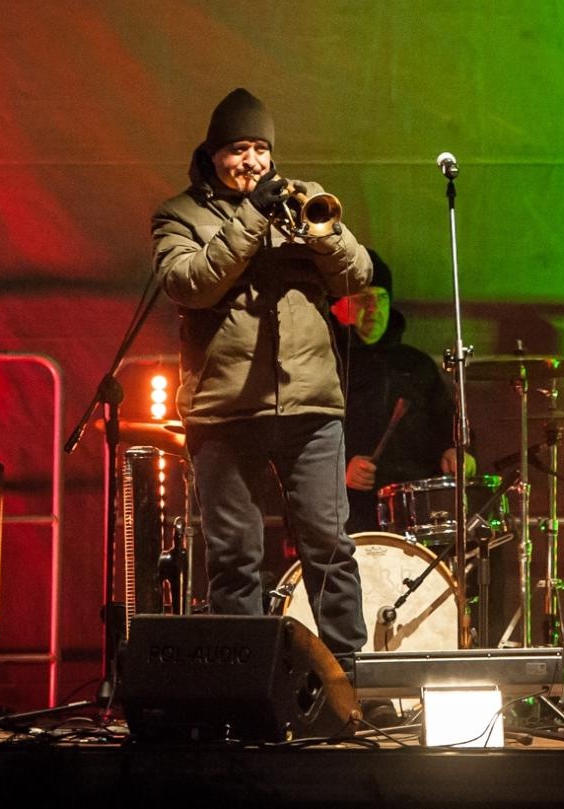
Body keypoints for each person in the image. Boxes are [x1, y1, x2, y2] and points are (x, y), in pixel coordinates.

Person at [151, 87, 370, 660]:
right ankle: (242, 680)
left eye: (260, 149)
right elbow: (189, 284)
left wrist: (323, 234)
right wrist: (251, 219)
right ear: (213, 154)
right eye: (238, 149)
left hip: (310, 405)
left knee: (330, 547)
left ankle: (350, 681)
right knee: (234, 556)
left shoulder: (306, 198)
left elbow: (357, 277)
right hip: (225, 411)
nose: (251, 161)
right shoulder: (179, 215)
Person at [332, 249, 468, 534]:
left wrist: (455, 451)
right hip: (348, 515)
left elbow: (447, 421)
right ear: (340, 305)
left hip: (416, 515)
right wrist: (340, 468)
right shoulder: (326, 364)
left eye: (381, 299)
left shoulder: (416, 365)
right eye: (363, 299)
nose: (374, 309)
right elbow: (303, 437)